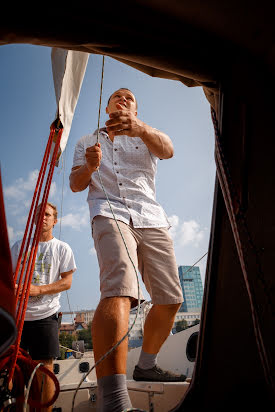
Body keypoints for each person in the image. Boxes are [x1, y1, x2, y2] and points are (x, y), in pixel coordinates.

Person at [70, 88, 185, 412]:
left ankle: (146, 364)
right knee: (121, 285)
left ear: (135, 108)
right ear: (106, 106)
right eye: (117, 97)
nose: (123, 99)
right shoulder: (86, 142)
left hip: (151, 217)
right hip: (109, 212)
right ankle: (115, 401)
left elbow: (169, 150)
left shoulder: (147, 135)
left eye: (130, 98)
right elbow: (76, 184)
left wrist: (141, 128)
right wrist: (89, 167)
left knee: (170, 298)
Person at [11, 202, 76, 412]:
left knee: (45, 369)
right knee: (16, 370)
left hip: (46, 316)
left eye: (47, 215)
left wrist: (37, 290)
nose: (43, 218)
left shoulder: (61, 248)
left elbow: (67, 282)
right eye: (39, 214)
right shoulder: (19, 247)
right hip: (18, 317)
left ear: (55, 221)